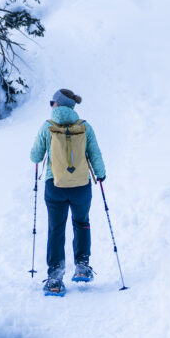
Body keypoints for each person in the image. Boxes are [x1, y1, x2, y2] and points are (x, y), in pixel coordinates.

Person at [30, 88, 106, 295]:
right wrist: (100, 175)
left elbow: (35, 156)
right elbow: (95, 154)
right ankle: (82, 266)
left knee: (56, 229)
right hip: (81, 186)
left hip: (54, 185)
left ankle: (55, 277)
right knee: (81, 223)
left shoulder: (48, 126)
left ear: (57, 105)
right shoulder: (84, 127)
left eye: (51, 102)